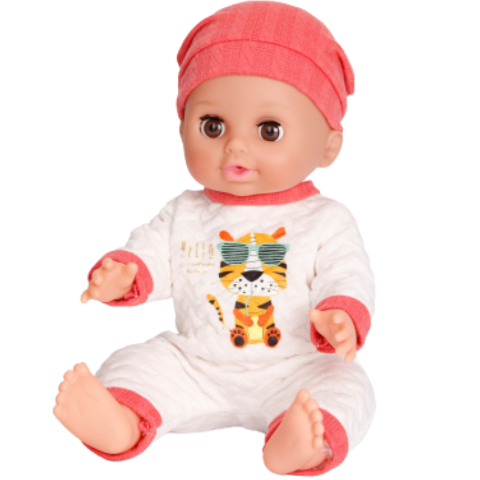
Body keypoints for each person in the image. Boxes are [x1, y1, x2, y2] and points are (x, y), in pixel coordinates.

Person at [54, 2, 375, 475]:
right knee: (136, 361)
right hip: (195, 364)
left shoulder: (326, 219)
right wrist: (125, 273)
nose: (235, 145)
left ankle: (302, 441)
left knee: (349, 387)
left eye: (269, 130)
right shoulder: (185, 212)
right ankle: (120, 421)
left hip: (296, 369)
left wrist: (340, 314)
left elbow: (347, 272)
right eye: (213, 126)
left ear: (329, 145)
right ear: (182, 127)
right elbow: (153, 254)